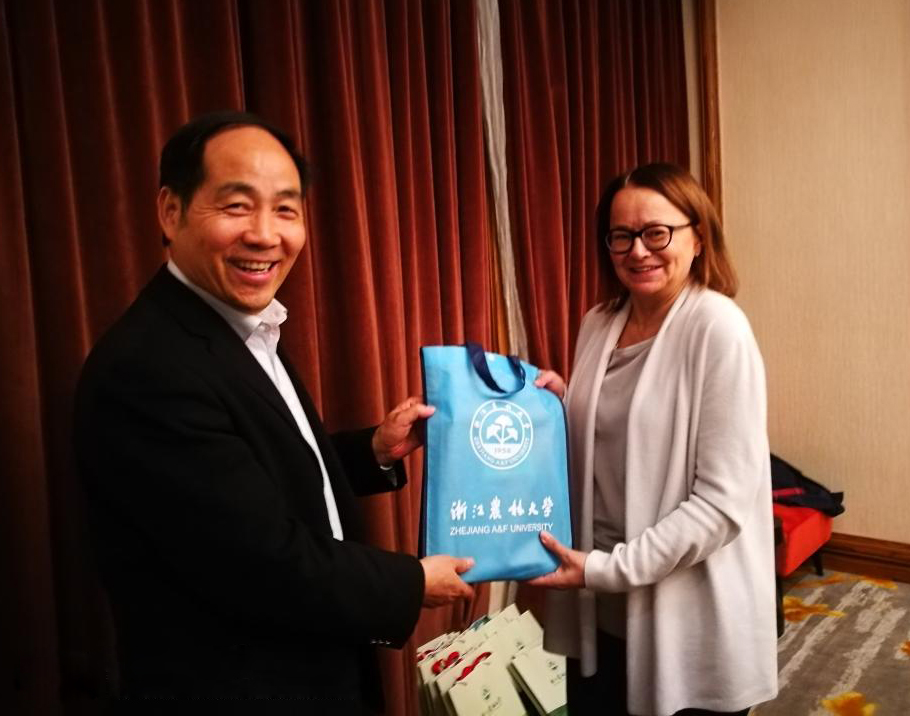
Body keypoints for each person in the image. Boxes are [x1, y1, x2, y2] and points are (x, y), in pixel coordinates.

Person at [74, 111, 474, 710]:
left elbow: (252, 476)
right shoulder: (148, 367)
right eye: (237, 206)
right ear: (170, 211)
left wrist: (371, 451)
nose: (265, 234)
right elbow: (259, 563)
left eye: (286, 209)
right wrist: (413, 581)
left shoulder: (240, 325)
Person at [529, 163, 778, 715]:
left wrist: (606, 570)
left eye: (656, 233)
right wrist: (560, 408)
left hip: (682, 606)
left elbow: (721, 505)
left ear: (698, 237)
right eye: (621, 236)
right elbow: (621, 437)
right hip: (597, 601)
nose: (638, 251)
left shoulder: (718, 328)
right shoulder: (599, 321)